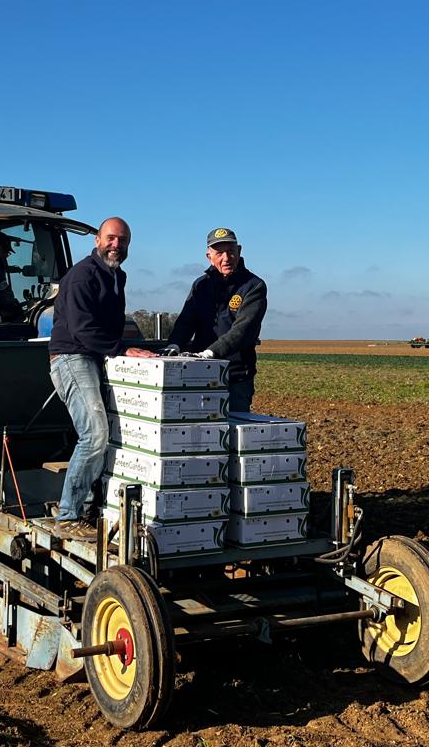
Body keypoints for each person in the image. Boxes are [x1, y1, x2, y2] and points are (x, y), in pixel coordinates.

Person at [48, 216, 158, 536]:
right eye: (111, 238)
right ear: (97, 239)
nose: (116, 244)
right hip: (72, 357)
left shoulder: (115, 276)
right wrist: (121, 350)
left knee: (110, 433)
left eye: (122, 240)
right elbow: (83, 330)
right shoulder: (82, 276)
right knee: (95, 433)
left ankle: (92, 504)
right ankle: (68, 515)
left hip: (95, 357)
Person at [167, 226, 267, 413]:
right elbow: (186, 321)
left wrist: (210, 353)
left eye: (230, 251)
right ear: (209, 257)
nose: (226, 258)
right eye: (219, 253)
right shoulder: (201, 286)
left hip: (235, 376)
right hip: (199, 376)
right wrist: (174, 344)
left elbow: (243, 330)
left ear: (239, 251)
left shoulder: (254, 286)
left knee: (232, 432)